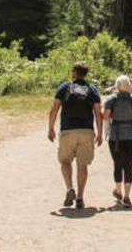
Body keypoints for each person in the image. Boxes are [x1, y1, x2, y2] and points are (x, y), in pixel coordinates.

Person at [47, 61, 103, 209]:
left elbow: (54, 108)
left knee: (65, 161)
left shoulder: (65, 87)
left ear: (74, 73)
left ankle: (69, 188)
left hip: (67, 130)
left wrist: (50, 128)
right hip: (86, 131)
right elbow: (98, 113)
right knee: (82, 164)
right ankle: (80, 197)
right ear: (85, 74)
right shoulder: (92, 89)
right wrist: (100, 133)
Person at [101, 74, 132, 207]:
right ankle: (127, 196)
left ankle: (118, 190)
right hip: (131, 136)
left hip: (115, 136)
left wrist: (103, 109)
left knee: (117, 165)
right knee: (129, 166)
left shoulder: (111, 99)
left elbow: (105, 117)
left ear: (117, 86)